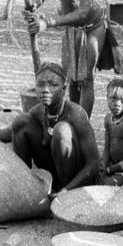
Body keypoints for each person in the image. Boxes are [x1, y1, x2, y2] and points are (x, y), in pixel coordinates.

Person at [11, 62, 100, 198]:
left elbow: (93, 163)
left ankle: (62, 193)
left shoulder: (76, 115)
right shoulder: (38, 111)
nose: (45, 90)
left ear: (64, 89)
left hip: (73, 180)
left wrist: (66, 190)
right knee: (20, 122)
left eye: (53, 85)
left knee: (61, 130)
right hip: (53, 172)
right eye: (40, 85)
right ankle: (27, 185)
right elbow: (16, 132)